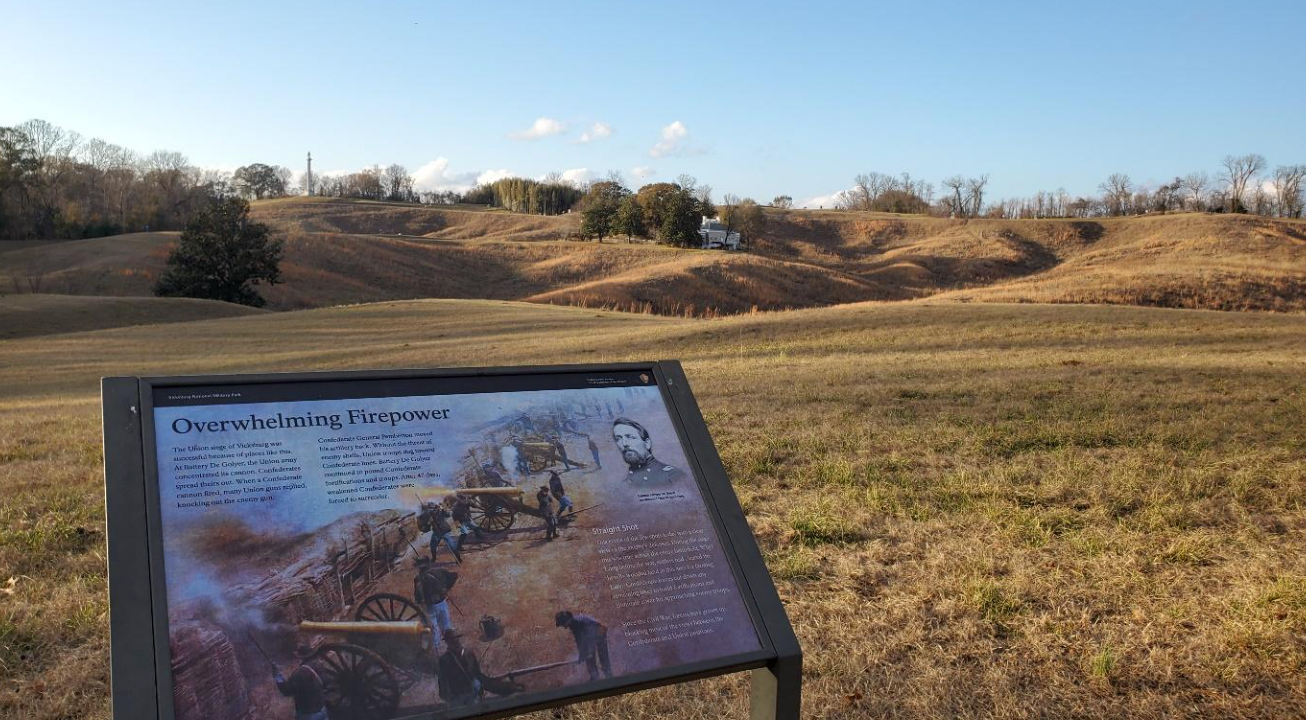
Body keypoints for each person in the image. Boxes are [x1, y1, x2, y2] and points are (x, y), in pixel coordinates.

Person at [611, 418, 685, 485]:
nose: (624, 444)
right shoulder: (624, 485)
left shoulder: (673, 476)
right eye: (618, 439)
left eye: (630, 437)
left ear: (647, 443)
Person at [414, 557, 458, 653]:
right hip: (442, 603)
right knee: (446, 627)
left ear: (419, 567)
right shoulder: (440, 572)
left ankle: (437, 653)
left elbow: (417, 596)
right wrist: (446, 588)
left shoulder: (418, 579)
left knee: (434, 631)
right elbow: (454, 575)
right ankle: (453, 649)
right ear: (429, 564)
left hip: (430, 607)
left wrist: (419, 602)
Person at [275, 643, 329, 720]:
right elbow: (326, 682)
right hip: (322, 709)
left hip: (308, 715)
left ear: (301, 657)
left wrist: (277, 676)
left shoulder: (299, 673)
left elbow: (286, 691)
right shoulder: (319, 665)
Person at [555, 610, 612, 681]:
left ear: (567, 621)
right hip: (593, 633)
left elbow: (587, 640)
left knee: (601, 656)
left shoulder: (577, 623)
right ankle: (595, 676)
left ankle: (608, 675)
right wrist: (582, 654)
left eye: (563, 625)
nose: (564, 627)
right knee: (588, 656)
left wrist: (585, 653)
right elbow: (580, 641)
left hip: (600, 631)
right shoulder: (573, 623)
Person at [436, 629, 482, 706]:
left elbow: (477, 673)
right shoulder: (444, 660)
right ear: (447, 643)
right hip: (457, 697)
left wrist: (480, 690)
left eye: (456, 640)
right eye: (452, 642)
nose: (456, 643)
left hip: (472, 694)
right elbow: (442, 680)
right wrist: (448, 698)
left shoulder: (469, 653)